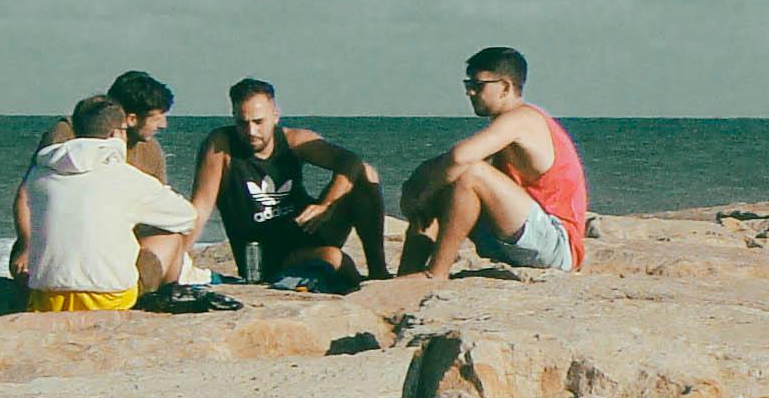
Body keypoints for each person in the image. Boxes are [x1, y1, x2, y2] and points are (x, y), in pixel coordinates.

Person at [183, 78, 388, 291]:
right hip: (266, 255)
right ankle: (350, 284)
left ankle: (378, 271)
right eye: (243, 123)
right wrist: (179, 260)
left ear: (275, 116)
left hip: (305, 228)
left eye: (258, 122)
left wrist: (326, 206)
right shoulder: (221, 146)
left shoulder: (294, 140)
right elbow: (201, 207)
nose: (251, 131)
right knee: (334, 258)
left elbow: (350, 161)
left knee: (367, 175)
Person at [404, 46, 588, 280]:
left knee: (471, 173)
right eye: (468, 85)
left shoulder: (523, 118)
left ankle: (436, 273)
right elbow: (446, 165)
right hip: (522, 238)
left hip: (558, 246)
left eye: (477, 85)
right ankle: (406, 276)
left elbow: (460, 157)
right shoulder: (504, 128)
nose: (470, 92)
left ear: (505, 87)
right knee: (445, 185)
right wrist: (416, 185)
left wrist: (423, 195)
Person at [17, 96, 199, 312]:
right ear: (117, 133)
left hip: (46, 298)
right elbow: (187, 217)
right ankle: (168, 297)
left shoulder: (40, 173)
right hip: (111, 299)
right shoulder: (124, 177)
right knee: (171, 238)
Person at [12, 71, 176, 278]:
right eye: (158, 116)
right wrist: (27, 246)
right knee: (173, 239)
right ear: (132, 119)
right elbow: (26, 196)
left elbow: (156, 211)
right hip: (57, 250)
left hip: (109, 250)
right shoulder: (67, 135)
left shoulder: (150, 149)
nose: (164, 124)